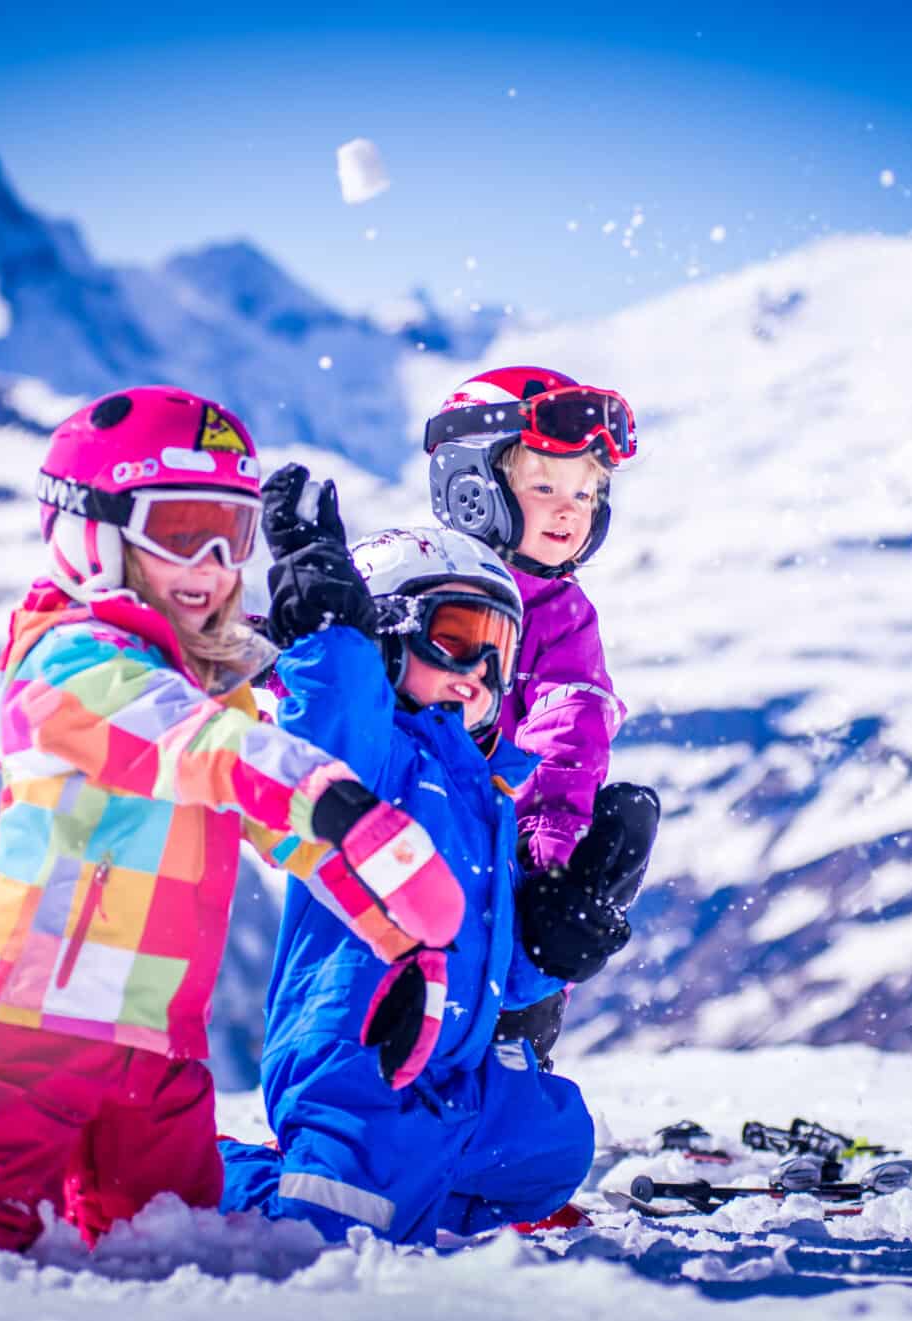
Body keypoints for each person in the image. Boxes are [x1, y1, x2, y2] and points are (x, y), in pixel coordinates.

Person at [0, 387, 467, 1255]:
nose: (213, 562)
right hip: (34, 1022)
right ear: (92, 530)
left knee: (166, 1235)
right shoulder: (70, 665)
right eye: (181, 529)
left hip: (163, 1042)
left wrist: (405, 940)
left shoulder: (205, 687)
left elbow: (282, 825)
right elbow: (203, 749)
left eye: (231, 535)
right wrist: (329, 796)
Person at [220, 467, 642, 1243]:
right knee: (327, 1228)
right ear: (386, 637)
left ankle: (418, 1185)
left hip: (459, 1077)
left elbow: (498, 963)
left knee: (555, 1147)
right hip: (360, 1069)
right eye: (454, 639)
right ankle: (208, 1170)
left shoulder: (488, 797)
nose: (478, 673)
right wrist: (329, 632)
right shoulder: (375, 764)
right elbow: (332, 727)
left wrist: (558, 940)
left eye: (498, 649)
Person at [424, 365, 660, 1064]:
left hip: (514, 848)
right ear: (472, 491)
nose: (570, 510)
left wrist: (552, 847)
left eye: (586, 492)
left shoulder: (563, 615)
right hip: (415, 845)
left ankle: (516, 1052)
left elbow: (570, 720)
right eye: (546, 487)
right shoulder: (415, 582)